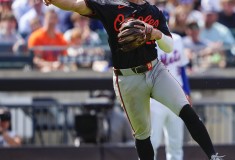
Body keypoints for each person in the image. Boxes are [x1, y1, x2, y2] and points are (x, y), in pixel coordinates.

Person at [43, 0, 224, 159]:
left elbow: (168, 46)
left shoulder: (154, 12)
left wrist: (155, 33)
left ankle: (214, 157)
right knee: (143, 134)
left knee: (186, 110)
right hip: (127, 78)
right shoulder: (111, 6)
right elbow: (76, 5)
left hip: (155, 70)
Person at [150, 12, 190, 160]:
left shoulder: (177, 40)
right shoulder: (148, 43)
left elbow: (182, 67)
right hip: (155, 98)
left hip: (176, 96)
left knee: (175, 142)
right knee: (152, 142)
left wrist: (187, 91)